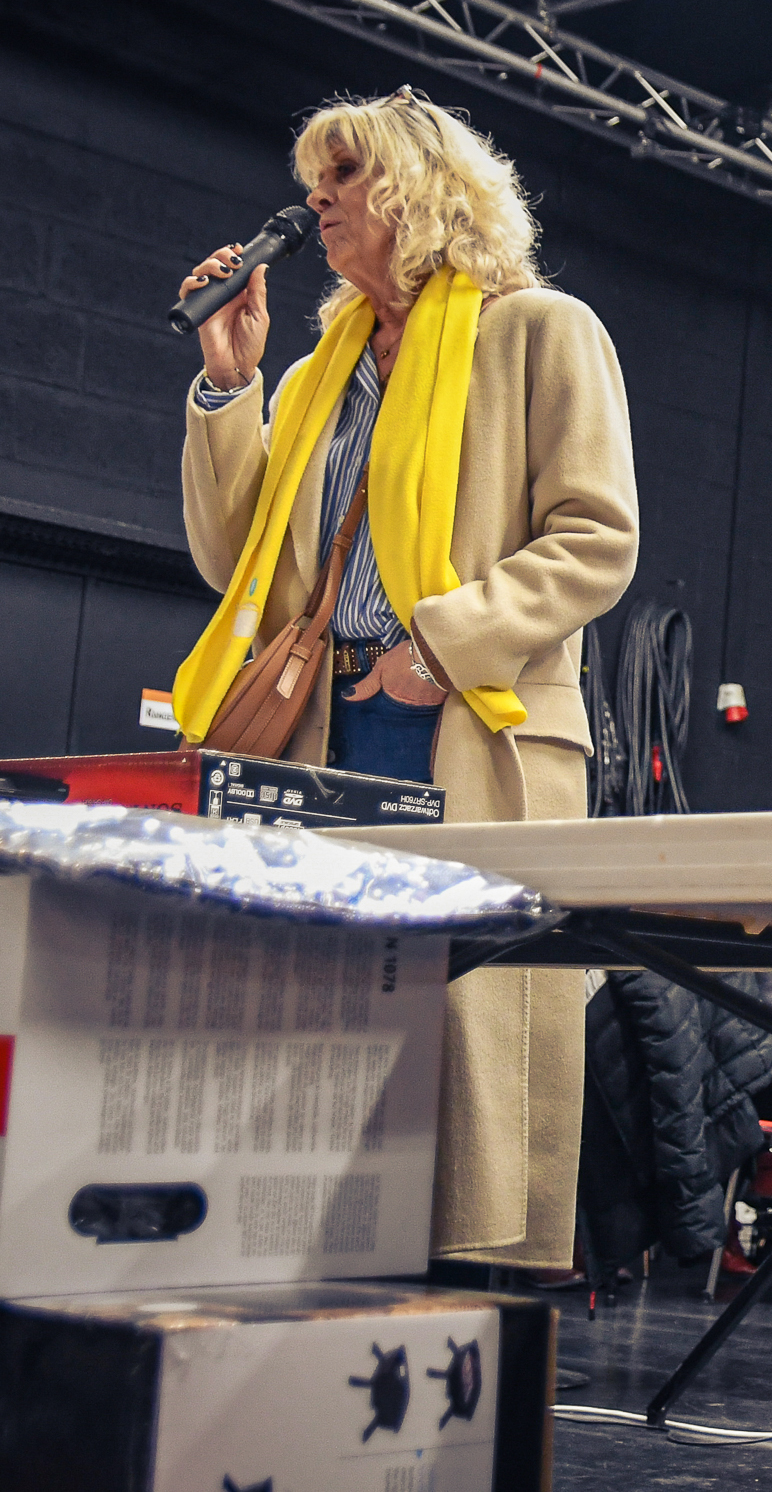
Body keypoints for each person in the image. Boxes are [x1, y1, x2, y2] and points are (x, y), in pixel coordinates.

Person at [175, 88, 639, 1270]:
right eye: (314, 176)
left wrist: (440, 650)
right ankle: (318, 1273)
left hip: (463, 727)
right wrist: (231, 385)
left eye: (344, 176)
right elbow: (241, 566)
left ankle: (462, 1305)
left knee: (464, 1056)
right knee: (324, 1039)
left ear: (421, 194)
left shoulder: (540, 330)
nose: (316, 198)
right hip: (327, 727)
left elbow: (596, 538)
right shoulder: (319, 373)